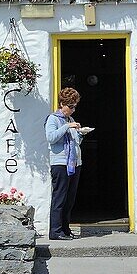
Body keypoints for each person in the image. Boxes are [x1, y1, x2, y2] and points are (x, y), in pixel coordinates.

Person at [47, 87, 83, 240]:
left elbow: (75, 141)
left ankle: (65, 229)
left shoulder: (71, 120)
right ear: (62, 104)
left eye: (75, 106)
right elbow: (51, 137)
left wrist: (80, 134)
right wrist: (66, 127)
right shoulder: (53, 119)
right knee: (59, 197)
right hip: (60, 163)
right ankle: (55, 231)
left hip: (74, 163)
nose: (73, 110)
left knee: (70, 199)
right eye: (71, 106)